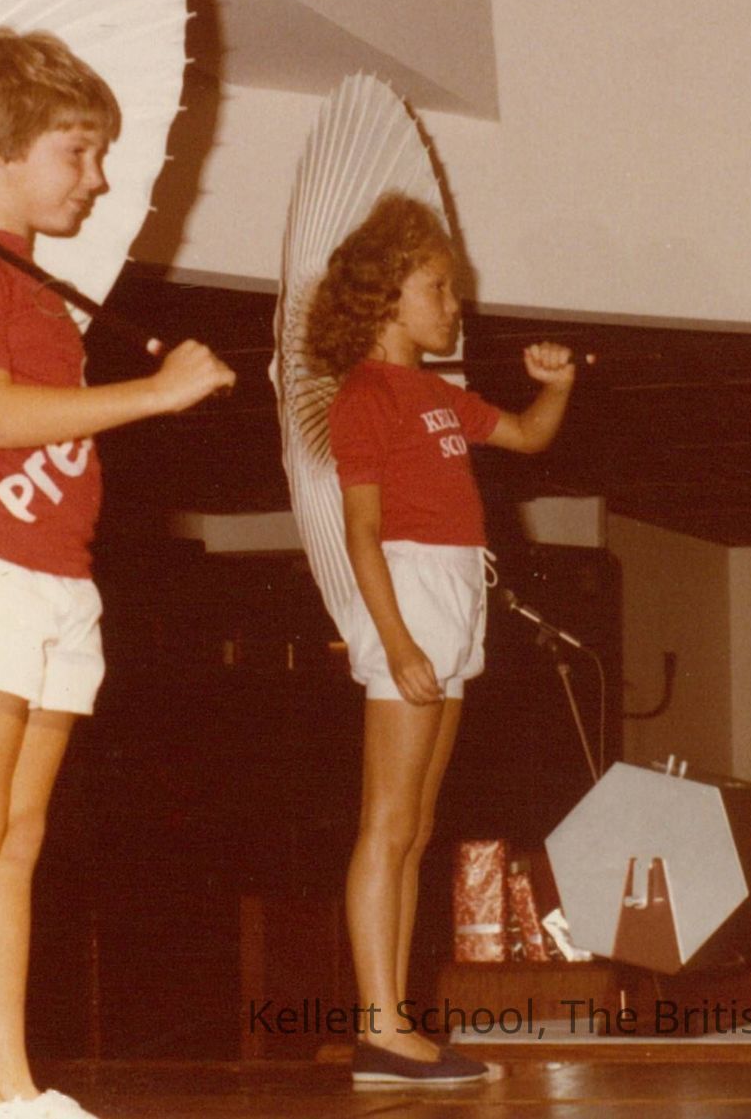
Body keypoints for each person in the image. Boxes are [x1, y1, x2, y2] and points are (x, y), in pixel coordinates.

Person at [0, 30, 234, 1119]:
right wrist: (154, 395)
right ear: (0, 149)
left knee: (17, 838)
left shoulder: (33, 280)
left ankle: (7, 1082)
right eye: (77, 152)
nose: (96, 177)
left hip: (53, 575)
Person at [305, 192, 576, 1087]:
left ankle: (396, 1028)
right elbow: (361, 533)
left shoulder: (439, 394)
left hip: (457, 591)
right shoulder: (364, 396)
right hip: (410, 592)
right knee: (386, 822)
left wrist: (556, 386)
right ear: (387, 296)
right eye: (438, 288)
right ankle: (379, 1028)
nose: (454, 304)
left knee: (416, 827)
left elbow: (529, 436)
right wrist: (397, 640)